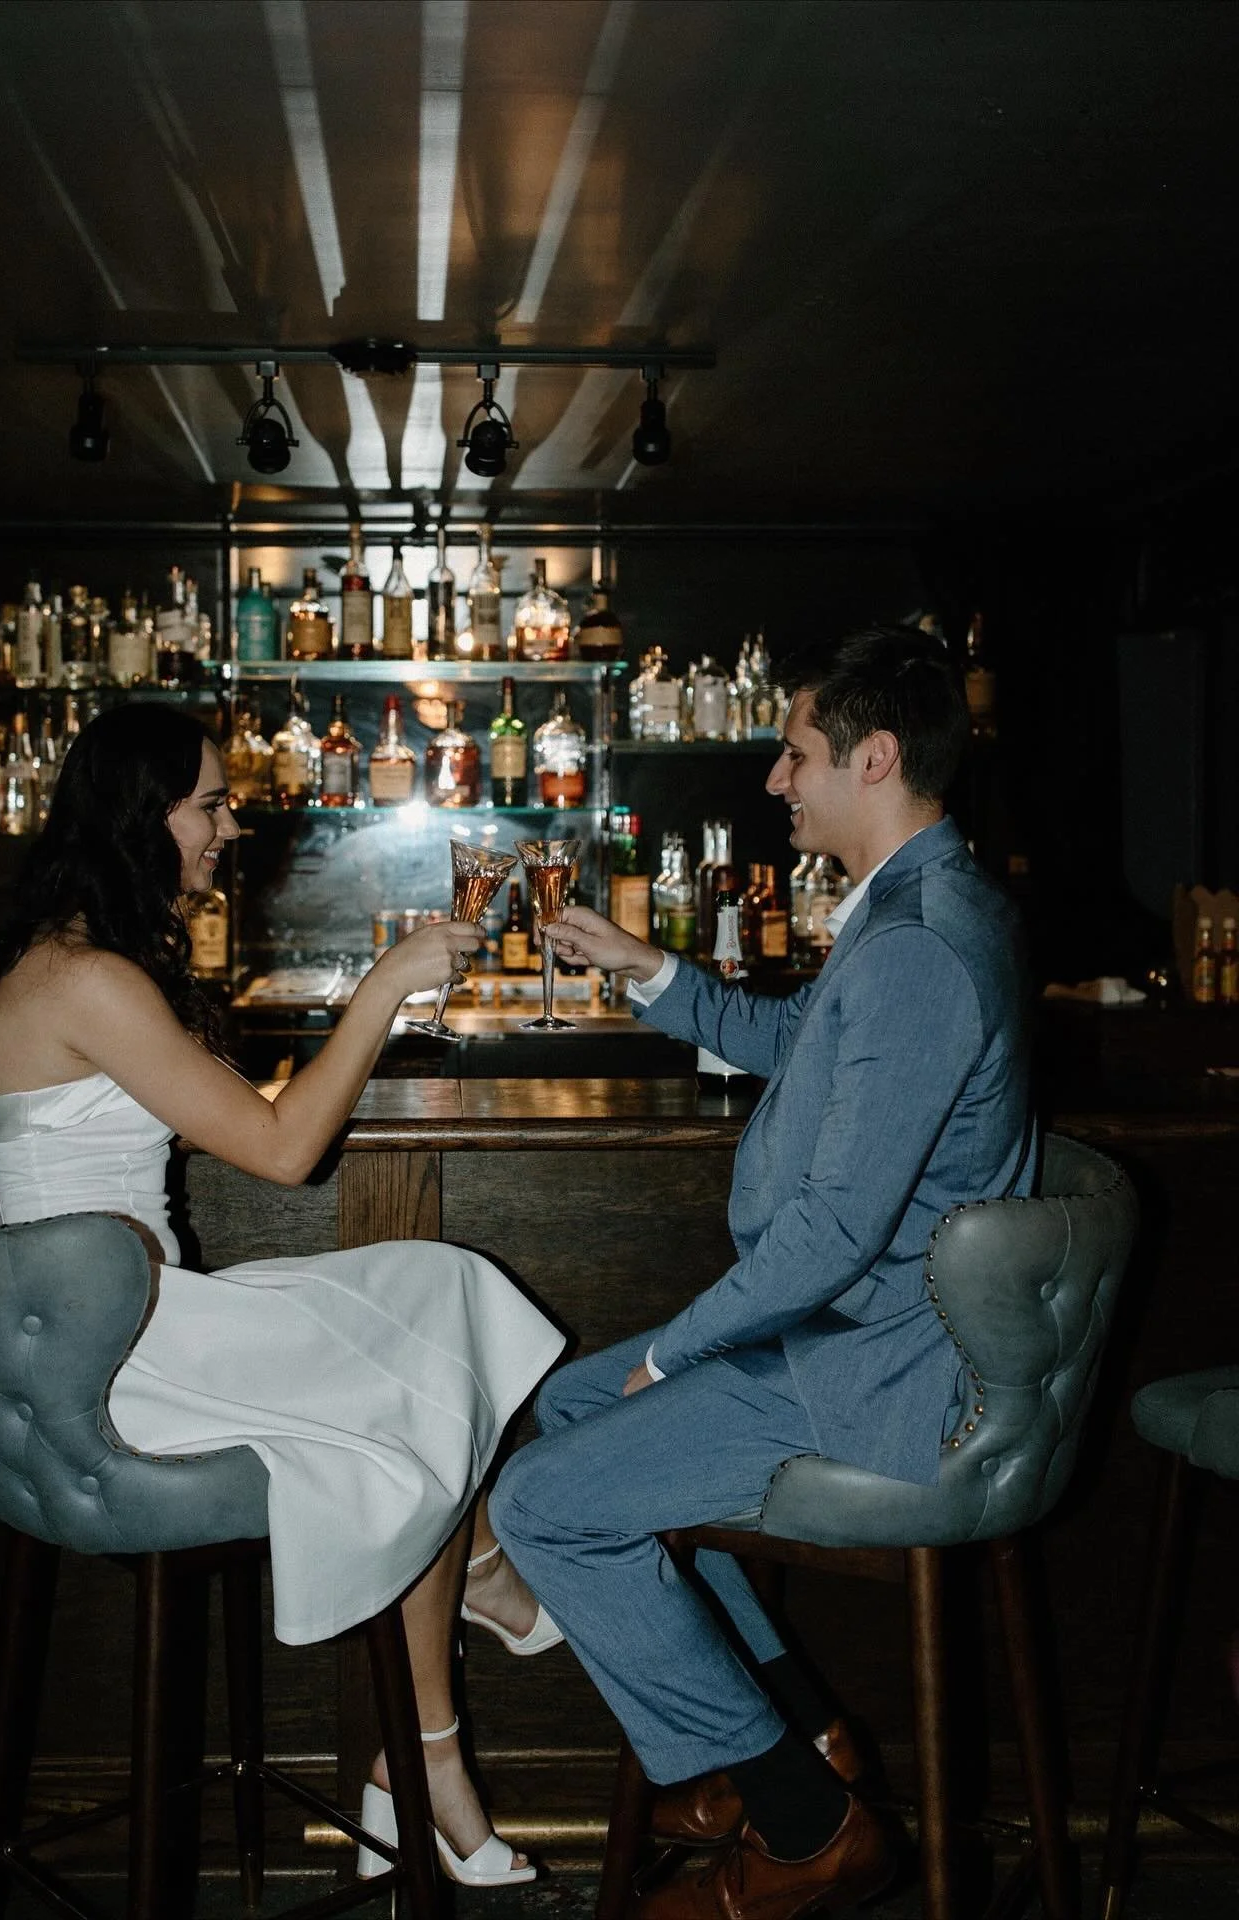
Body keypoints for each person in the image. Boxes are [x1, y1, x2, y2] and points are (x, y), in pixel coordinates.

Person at [0, 703, 565, 1888]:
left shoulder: (40, 961)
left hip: (118, 1327)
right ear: (138, 817)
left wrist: (71, 1117)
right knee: (421, 1342)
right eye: (209, 803)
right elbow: (283, 1151)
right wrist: (385, 986)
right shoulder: (92, 978)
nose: (228, 825)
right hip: (127, 1354)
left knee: (430, 1294)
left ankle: (444, 1695)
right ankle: (461, 1640)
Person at [490, 624, 1037, 1920]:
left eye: (797, 756)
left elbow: (839, 1231)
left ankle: (803, 1826)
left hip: (877, 1356)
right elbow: (797, 1035)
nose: (778, 780)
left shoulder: (915, 940)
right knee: (570, 1401)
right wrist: (650, 972)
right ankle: (799, 1735)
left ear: (876, 756)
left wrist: (677, 1353)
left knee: (541, 1503)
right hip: (859, 1325)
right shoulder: (922, 899)